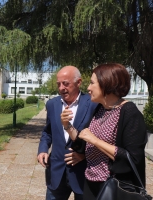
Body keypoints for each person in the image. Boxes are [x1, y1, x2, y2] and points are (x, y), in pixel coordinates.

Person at [62, 63, 147, 199]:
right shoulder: (100, 109)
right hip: (91, 183)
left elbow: (133, 158)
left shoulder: (130, 113)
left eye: (92, 83)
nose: (88, 88)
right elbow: (84, 141)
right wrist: (67, 125)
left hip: (114, 186)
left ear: (107, 83)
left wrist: (95, 140)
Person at [37, 66, 97, 200]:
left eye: (65, 83)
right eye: (58, 84)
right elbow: (48, 132)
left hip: (82, 173)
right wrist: (42, 149)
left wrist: (84, 155)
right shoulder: (52, 104)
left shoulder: (93, 104)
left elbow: (98, 138)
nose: (61, 88)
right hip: (57, 172)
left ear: (79, 82)